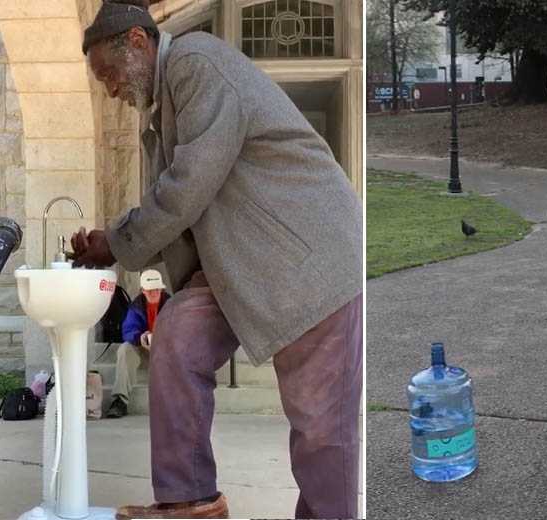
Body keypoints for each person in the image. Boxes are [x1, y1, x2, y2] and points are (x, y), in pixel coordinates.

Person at [72, 1, 362, 518]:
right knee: (178, 340)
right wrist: (113, 242)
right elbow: (182, 202)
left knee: (320, 426)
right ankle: (188, 500)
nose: (111, 90)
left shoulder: (196, 63)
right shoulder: (163, 108)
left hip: (308, 257)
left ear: (138, 42)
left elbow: (188, 188)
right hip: (235, 263)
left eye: (110, 75)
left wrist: (115, 243)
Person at [106, 269, 170, 419]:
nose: (153, 293)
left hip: (166, 349)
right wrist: (140, 337)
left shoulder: (171, 304)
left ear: (161, 289)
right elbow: (127, 330)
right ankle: (120, 400)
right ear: (142, 291)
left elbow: (181, 329)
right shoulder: (136, 306)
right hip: (144, 348)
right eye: (149, 290)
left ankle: (177, 400)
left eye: (156, 289)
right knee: (125, 350)